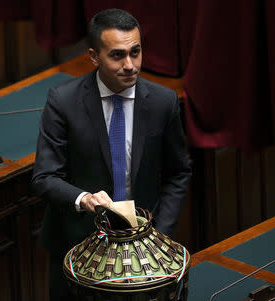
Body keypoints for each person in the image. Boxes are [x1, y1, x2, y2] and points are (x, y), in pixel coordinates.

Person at [32, 8, 191, 300]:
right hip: (77, 251)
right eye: (117, 55)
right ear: (94, 57)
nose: (130, 64)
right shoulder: (63, 102)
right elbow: (45, 177)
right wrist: (85, 199)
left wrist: (160, 233)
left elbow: (178, 173)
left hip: (144, 256)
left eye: (135, 52)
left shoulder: (162, 102)